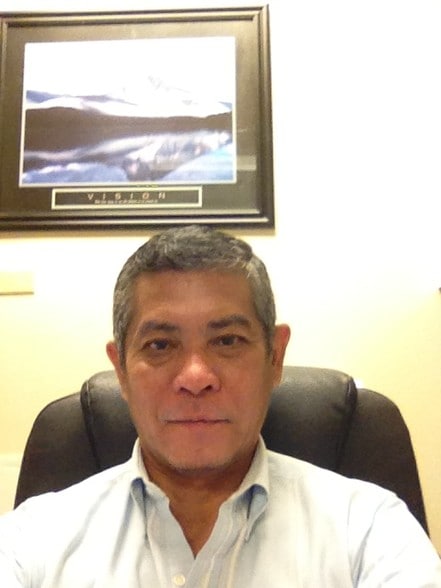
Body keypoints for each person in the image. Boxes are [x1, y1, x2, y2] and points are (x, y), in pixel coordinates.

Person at [0, 225, 440, 587]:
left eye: (227, 341)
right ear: (121, 370)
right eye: (160, 345)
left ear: (275, 358)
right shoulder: (31, 540)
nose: (196, 377)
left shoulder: (369, 530)